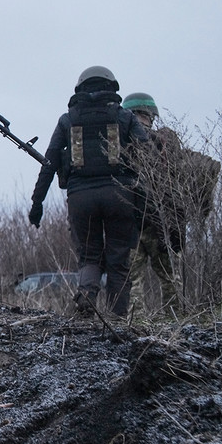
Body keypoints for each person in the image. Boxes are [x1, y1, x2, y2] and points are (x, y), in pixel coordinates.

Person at [28, 67, 149, 317]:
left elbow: (49, 165)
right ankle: (116, 320)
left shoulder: (67, 120)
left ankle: (85, 305)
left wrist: (37, 204)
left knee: (90, 257)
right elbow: (149, 158)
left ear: (80, 88)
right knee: (118, 261)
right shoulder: (125, 117)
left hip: (81, 198)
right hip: (120, 196)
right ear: (111, 87)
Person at [122, 92, 184, 314]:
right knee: (170, 279)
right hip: (160, 222)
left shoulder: (120, 144)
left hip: (130, 221)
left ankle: (135, 327)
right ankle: (175, 323)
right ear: (150, 116)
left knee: (132, 281)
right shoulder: (164, 143)